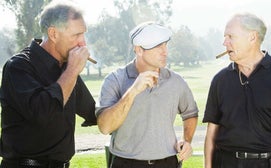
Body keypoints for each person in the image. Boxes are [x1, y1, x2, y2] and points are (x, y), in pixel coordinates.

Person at [0, 1, 97, 167]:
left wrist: (130, 90)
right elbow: (44, 113)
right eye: (76, 35)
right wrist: (73, 70)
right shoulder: (19, 67)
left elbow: (92, 112)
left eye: (84, 34)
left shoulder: (65, 68)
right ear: (53, 34)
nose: (83, 43)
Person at [202, 13, 271, 168]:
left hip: (268, 164)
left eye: (230, 36)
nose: (224, 42)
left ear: (252, 38)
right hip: (225, 163)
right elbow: (211, 132)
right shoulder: (220, 80)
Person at [96, 22, 199, 168]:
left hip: (167, 163)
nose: (165, 52)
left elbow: (190, 113)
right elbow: (105, 127)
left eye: (165, 45)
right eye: (158, 46)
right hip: (125, 163)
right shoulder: (115, 80)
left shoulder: (176, 81)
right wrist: (133, 91)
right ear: (139, 50)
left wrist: (186, 141)